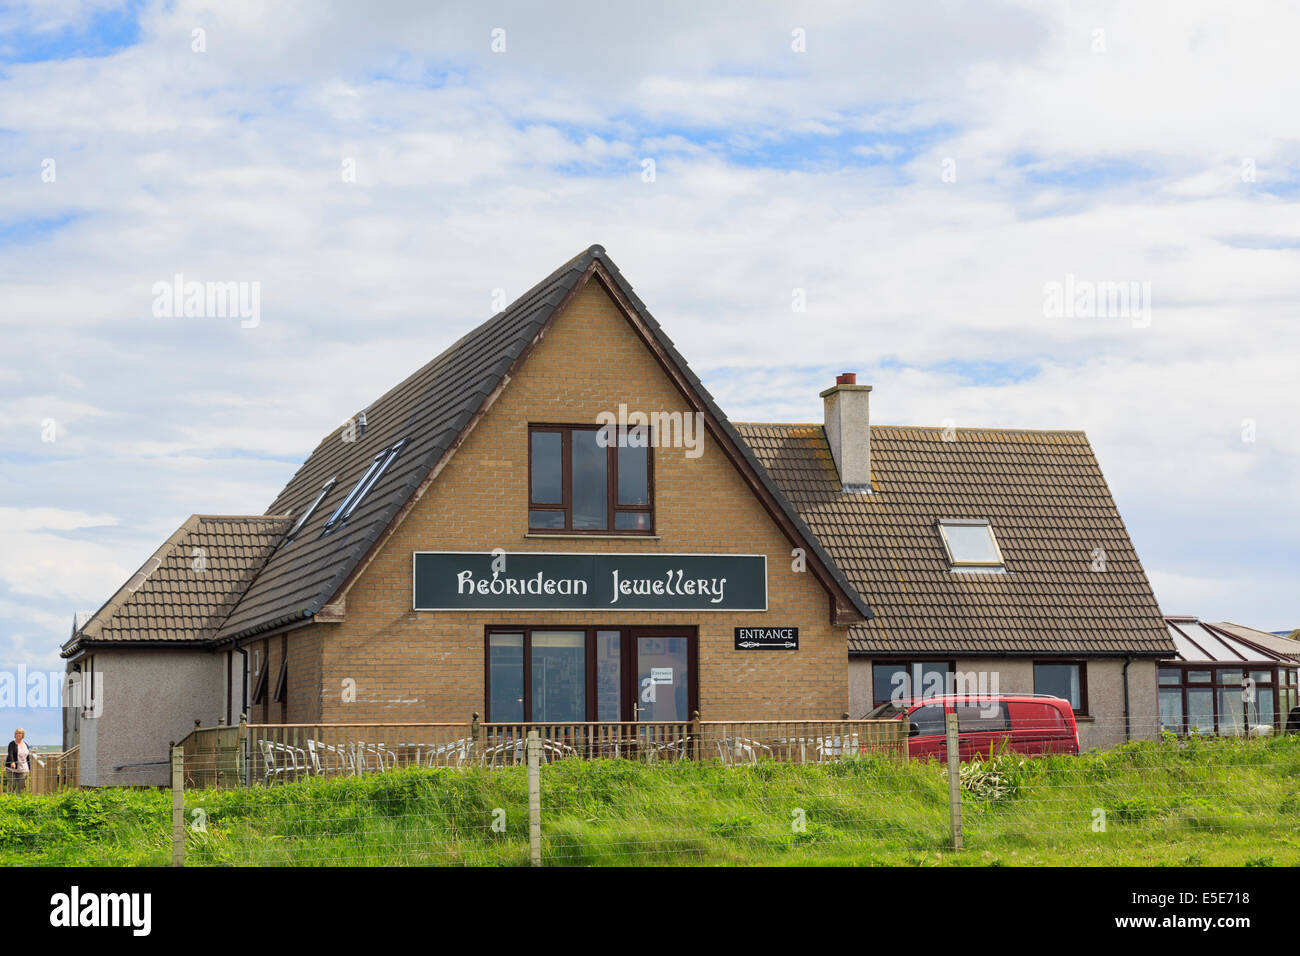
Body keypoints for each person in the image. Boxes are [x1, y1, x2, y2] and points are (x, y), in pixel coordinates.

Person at [5, 728, 31, 794]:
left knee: (21, 786)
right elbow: (10, 753)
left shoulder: (26, 744)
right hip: (12, 768)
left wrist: (29, 767)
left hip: (23, 768)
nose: (18, 734)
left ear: (23, 735)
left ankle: (20, 800)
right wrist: (12, 762)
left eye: (20, 733)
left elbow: (27, 756)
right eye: (16, 733)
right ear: (14, 735)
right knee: (12, 785)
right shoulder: (11, 744)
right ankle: (11, 800)